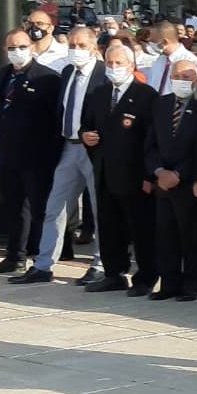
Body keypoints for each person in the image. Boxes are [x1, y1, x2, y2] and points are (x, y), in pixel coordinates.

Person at [17, 27, 104, 286]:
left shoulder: (103, 76)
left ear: (93, 47)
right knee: (54, 207)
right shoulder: (67, 72)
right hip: (69, 147)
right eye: (72, 45)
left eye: (81, 45)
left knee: (100, 211)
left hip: (94, 150)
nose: (76, 50)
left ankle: (100, 264)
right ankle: (44, 265)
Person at [0, 31, 61, 278]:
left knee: (38, 208)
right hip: (7, 153)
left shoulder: (48, 78)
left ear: (31, 47)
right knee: (14, 207)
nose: (17, 51)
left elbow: (54, 120)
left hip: (36, 155)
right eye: (12, 47)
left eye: (22, 46)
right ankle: (14, 256)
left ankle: (40, 260)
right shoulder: (2, 75)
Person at [82, 43, 157, 294]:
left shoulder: (146, 95)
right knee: (109, 227)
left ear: (131, 66)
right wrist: (86, 136)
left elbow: (151, 139)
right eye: (110, 63)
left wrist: (149, 176)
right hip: (105, 171)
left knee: (140, 228)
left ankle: (146, 277)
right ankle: (114, 273)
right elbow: (87, 126)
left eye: (119, 63)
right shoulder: (99, 93)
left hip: (135, 175)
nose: (114, 68)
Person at [143, 54, 197, 301]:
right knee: (165, 234)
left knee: (191, 236)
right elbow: (150, 144)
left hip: (189, 183)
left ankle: (192, 284)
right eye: (177, 77)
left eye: (186, 77)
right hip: (162, 182)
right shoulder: (161, 104)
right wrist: (158, 171)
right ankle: (168, 282)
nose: (181, 80)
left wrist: (180, 173)